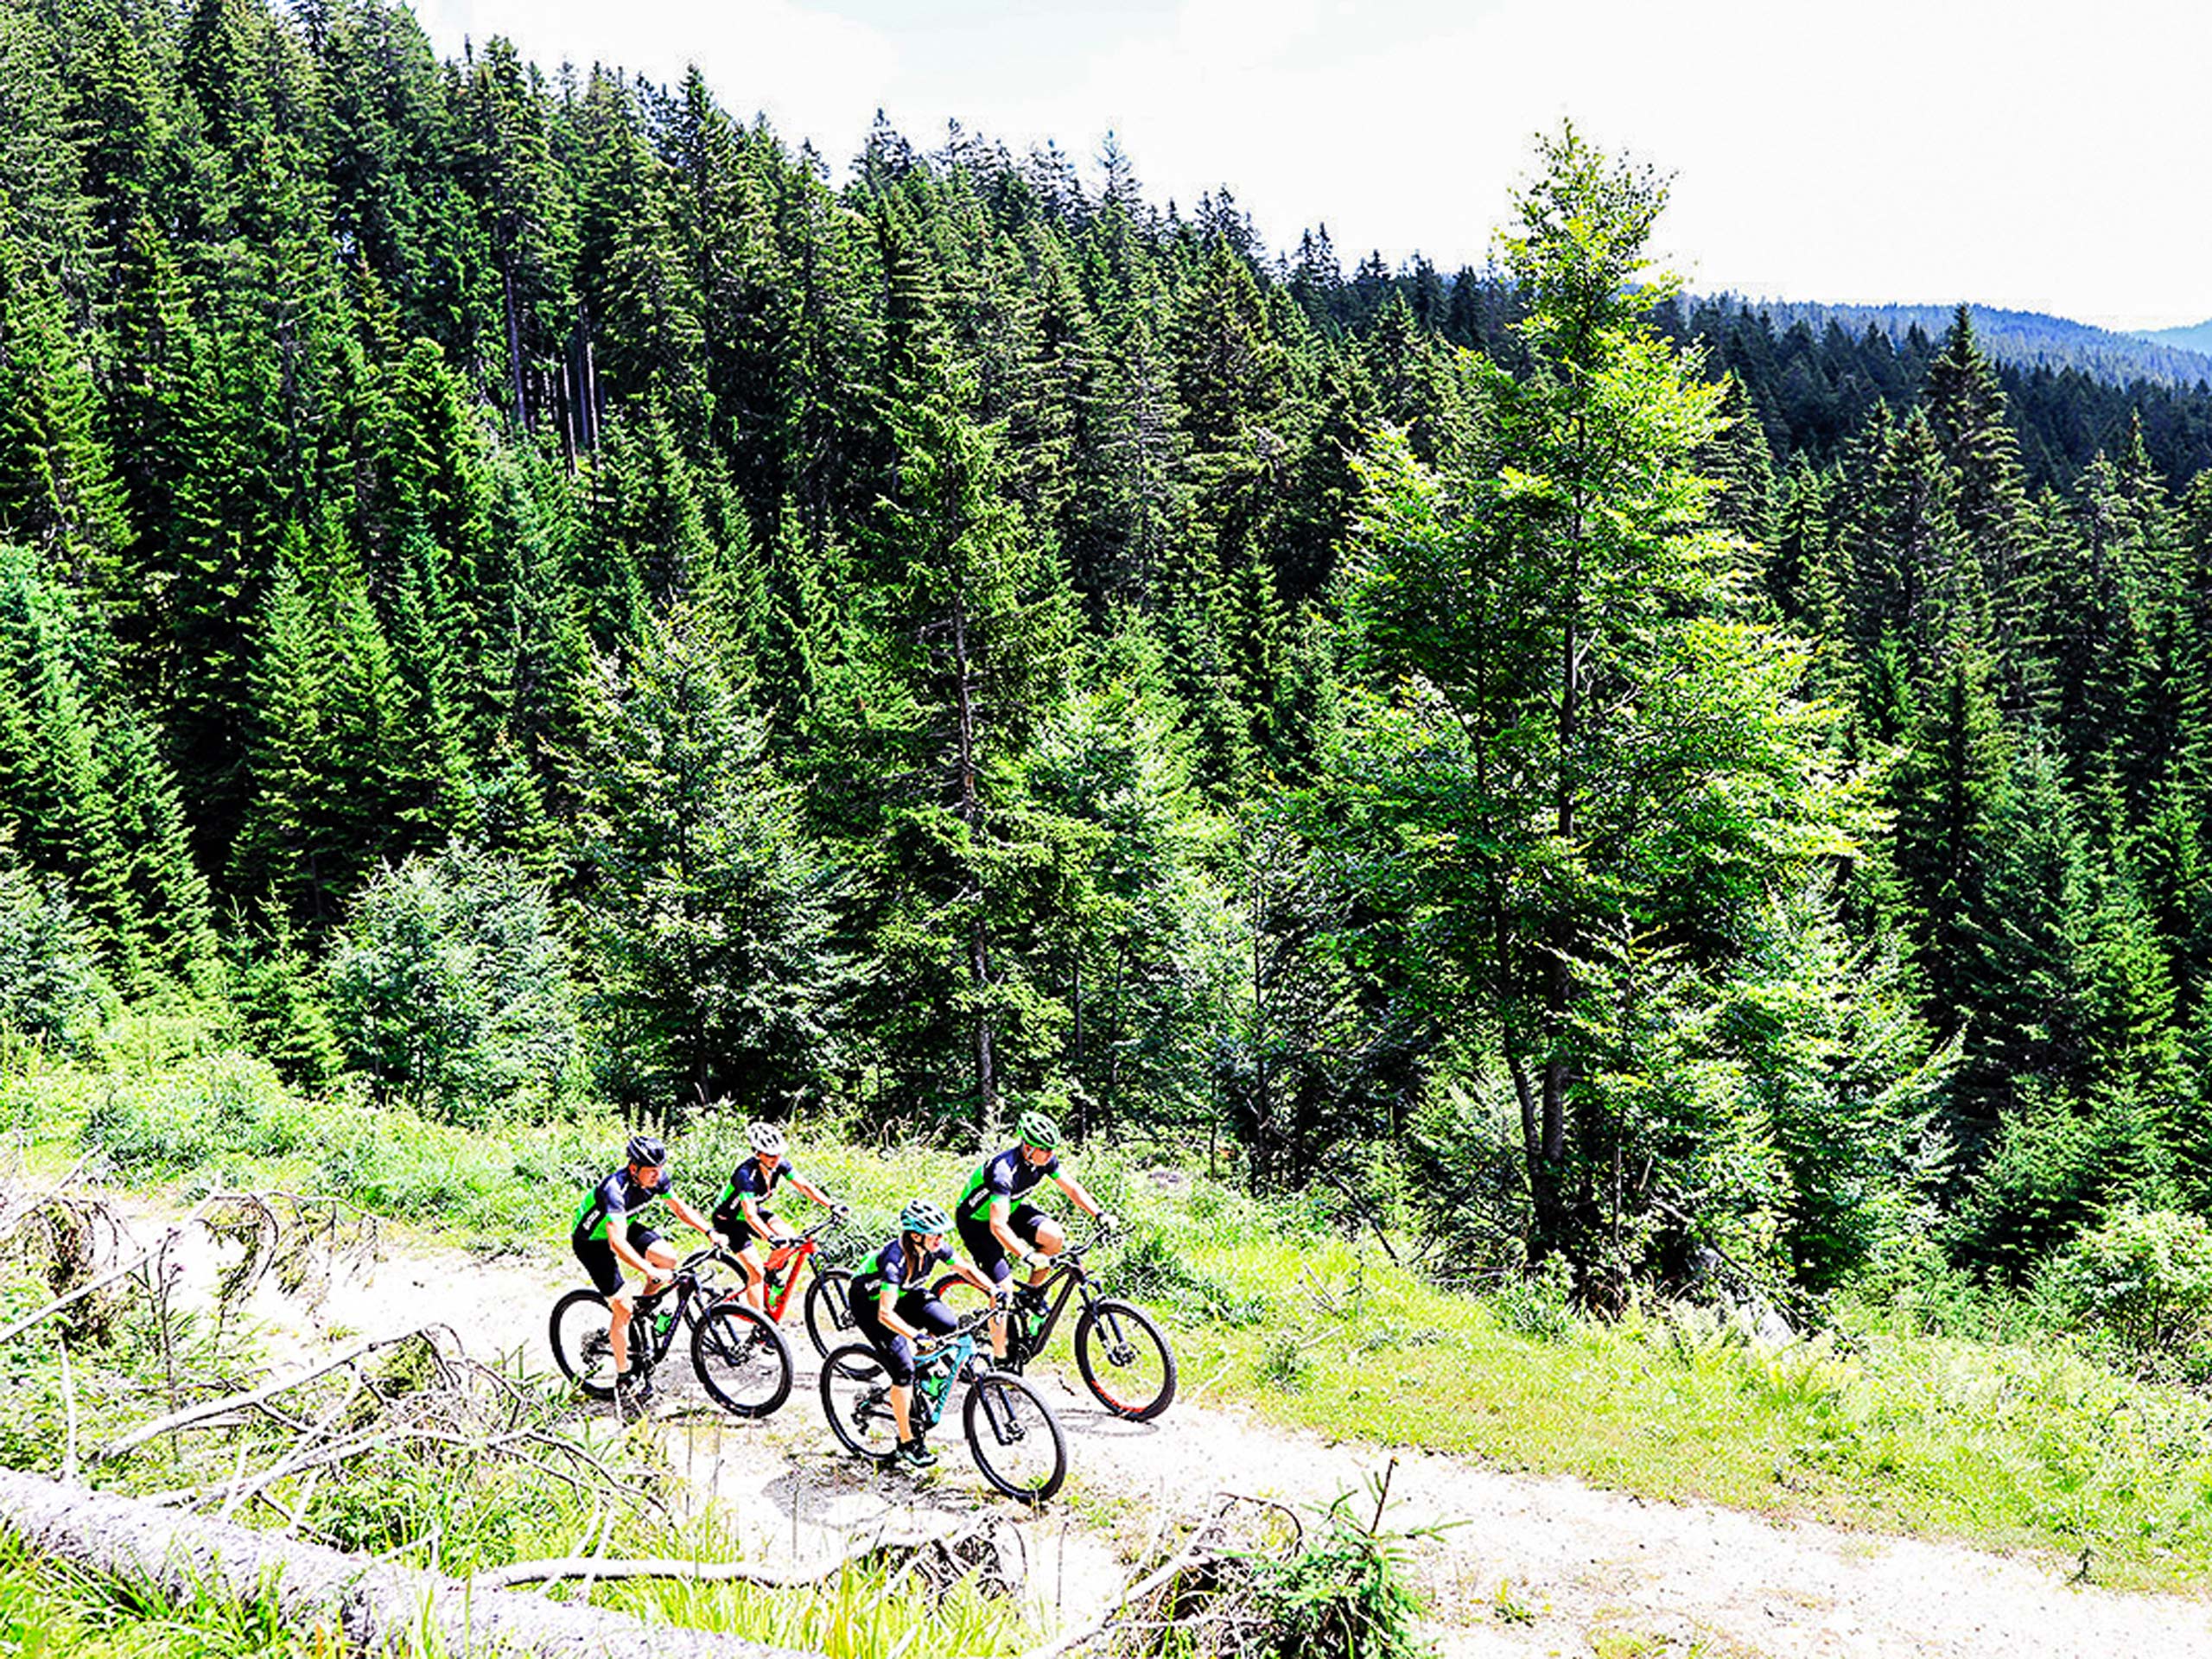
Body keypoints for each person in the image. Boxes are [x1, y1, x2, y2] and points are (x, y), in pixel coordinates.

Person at [954, 1110, 1118, 1358]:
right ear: (1028, 1147)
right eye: (1045, 1149)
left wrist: (1100, 1214)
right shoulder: (1004, 1172)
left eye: (1052, 1149)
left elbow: (1072, 1188)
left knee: (1054, 1237)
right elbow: (997, 1225)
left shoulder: (1044, 1160)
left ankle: (1031, 1296)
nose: (1051, 1154)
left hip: (1012, 1208)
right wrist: (1027, 1255)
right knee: (1003, 1291)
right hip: (977, 1223)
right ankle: (1000, 1359)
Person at [849, 1198, 999, 1468]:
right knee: (903, 1369)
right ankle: (907, 1442)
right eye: (936, 1234)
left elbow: (964, 1268)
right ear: (916, 1236)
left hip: (906, 1294)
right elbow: (885, 1313)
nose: (941, 1239)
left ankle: (924, 1366)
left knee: (948, 1324)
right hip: (871, 1305)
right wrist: (915, 1336)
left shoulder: (934, 1247)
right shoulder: (894, 1262)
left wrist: (993, 1289)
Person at [570, 1133, 716, 1397]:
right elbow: (616, 1243)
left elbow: (680, 1209)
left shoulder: (656, 1177)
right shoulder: (614, 1189)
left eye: (660, 1170)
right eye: (651, 1171)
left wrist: (709, 1231)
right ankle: (625, 1375)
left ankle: (643, 1308)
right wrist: (649, 1270)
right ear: (634, 1168)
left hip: (622, 1226)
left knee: (668, 1259)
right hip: (591, 1241)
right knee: (623, 1306)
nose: (657, 1176)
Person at [710, 1121, 843, 1313]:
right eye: (770, 1154)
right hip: (729, 1221)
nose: (775, 1158)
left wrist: (832, 1205)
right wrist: (770, 1237)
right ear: (757, 1153)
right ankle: (760, 1326)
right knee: (755, 1270)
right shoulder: (745, 1175)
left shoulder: (779, 1165)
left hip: (755, 1212)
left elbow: (804, 1186)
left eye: (778, 1153)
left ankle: (770, 1276)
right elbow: (750, 1215)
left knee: (790, 1238)